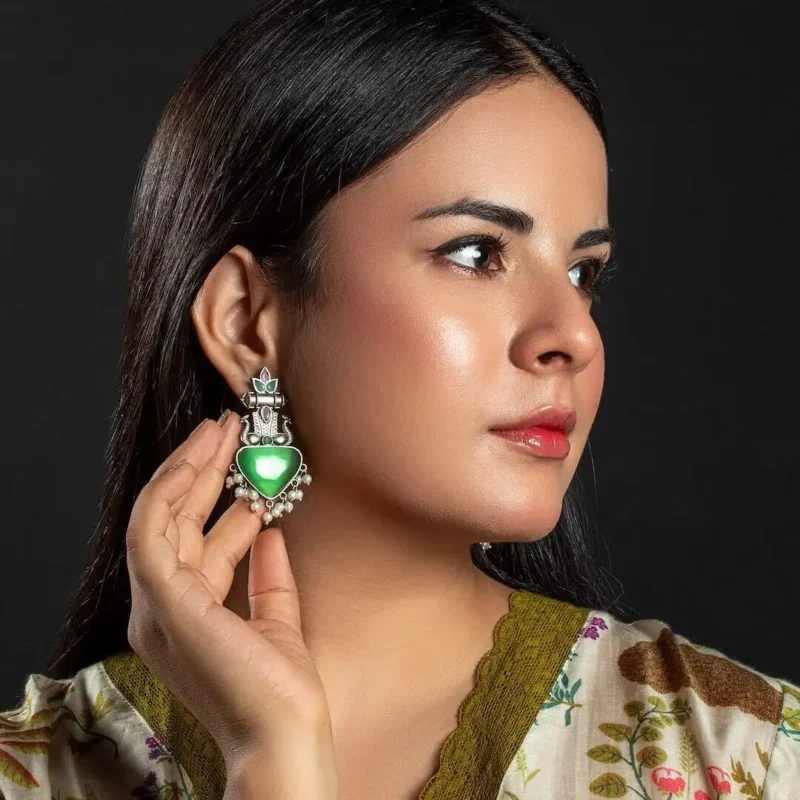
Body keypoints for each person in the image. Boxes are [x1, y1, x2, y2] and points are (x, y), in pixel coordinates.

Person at [2, 0, 798, 798]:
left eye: (582, 272)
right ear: (246, 321)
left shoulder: (748, 759)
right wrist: (271, 754)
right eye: (477, 253)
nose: (574, 336)